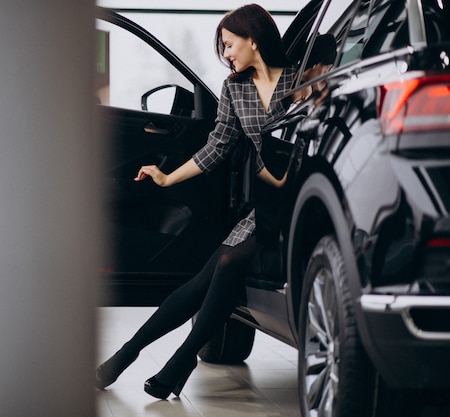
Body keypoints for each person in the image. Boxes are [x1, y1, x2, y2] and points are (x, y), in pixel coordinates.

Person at [95, 4, 295, 400]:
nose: (226, 54)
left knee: (226, 262)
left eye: (229, 44)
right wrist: (167, 176)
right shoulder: (235, 88)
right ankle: (133, 354)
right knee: (209, 274)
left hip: (303, 200)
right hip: (267, 206)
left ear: (253, 39)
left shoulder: (298, 79)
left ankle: (173, 359)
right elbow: (217, 146)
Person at [293, 33, 336, 102]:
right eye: (325, 72)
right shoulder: (285, 75)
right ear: (315, 64)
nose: (319, 88)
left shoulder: (300, 90)